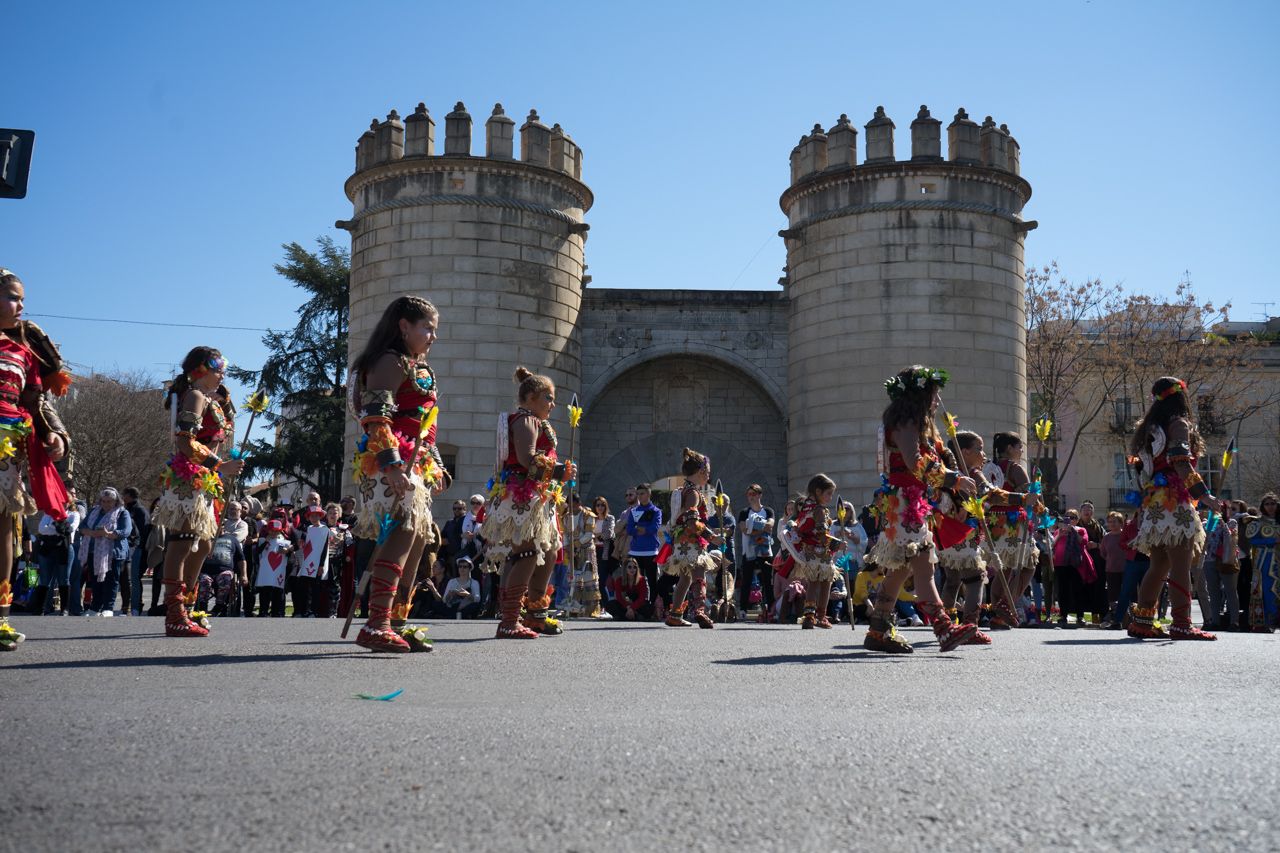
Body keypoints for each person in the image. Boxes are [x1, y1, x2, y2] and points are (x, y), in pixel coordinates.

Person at [348, 295, 450, 652]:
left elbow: (424, 426)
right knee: (401, 536)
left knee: (417, 540)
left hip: (415, 464)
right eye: (427, 328)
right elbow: (377, 417)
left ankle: (397, 621)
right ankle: (376, 624)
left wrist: (435, 463)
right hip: (390, 463)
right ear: (404, 326)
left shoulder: (415, 365)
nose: (433, 337)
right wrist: (392, 466)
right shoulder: (389, 361)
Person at [866, 365, 980, 653]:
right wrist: (954, 479)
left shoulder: (914, 422)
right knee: (924, 566)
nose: (937, 400)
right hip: (906, 503)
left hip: (909, 501)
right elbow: (914, 460)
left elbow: (926, 458)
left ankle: (878, 631)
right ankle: (943, 629)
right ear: (920, 394)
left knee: (901, 569)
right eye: (933, 393)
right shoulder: (907, 421)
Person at [0, 269, 72, 650]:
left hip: (7, 449)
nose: (21, 305)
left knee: (4, 528)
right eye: (13, 296)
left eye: (22, 298)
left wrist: (51, 434)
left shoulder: (21, 352)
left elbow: (33, 402)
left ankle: (0, 618)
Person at [153, 346, 244, 637]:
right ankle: (175, 613)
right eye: (218, 368)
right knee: (181, 543)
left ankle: (189, 607)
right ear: (200, 370)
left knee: (204, 545)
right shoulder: (193, 396)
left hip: (206, 480)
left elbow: (224, 422)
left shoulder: (210, 399)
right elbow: (184, 441)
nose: (223, 374)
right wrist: (220, 464)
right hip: (188, 478)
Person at [483, 366, 576, 639]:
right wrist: (559, 471)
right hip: (525, 493)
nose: (553, 404)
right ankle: (510, 619)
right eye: (548, 397)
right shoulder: (525, 420)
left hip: (539, 495)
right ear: (532, 397)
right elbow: (527, 459)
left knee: (546, 554)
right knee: (525, 554)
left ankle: (535, 615)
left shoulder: (534, 420)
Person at [1127, 376, 1217, 640]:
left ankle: (1143, 621)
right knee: (1180, 563)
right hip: (1175, 501)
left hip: (1155, 501)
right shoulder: (1178, 423)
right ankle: (1181, 623)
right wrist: (1204, 494)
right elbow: (1180, 460)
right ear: (1181, 397)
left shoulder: (1150, 428)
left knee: (1159, 564)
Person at [983, 431, 1041, 628]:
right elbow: (1030, 497)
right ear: (1009, 448)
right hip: (1012, 521)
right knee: (1028, 564)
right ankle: (1004, 607)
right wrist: (1040, 503)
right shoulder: (1015, 468)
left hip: (993, 522)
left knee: (1003, 569)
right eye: (1019, 447)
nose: (1022, 450)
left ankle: (998, 613)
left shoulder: (989, 468)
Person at [660, 448, 723, 628]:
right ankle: (700, 611)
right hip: (691, 540)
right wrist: (712, 537)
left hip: (681, 541)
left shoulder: (683, 490)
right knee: (698, 572)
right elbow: (692, 521)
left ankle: (675, 615)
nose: (708, 476)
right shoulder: (693, 493)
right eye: (708, 472)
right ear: (701, 471)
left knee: (685, 578)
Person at [937, 431, 990, 636]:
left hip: (947, 534)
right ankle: (970, 626)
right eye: (979, 448)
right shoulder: (970, 475)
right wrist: (1021, 498)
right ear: (965, 452)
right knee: (975, 577)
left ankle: (946, 624)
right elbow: (989, 492)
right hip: (962, 533)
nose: (983, 454)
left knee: (952, 579)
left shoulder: (946, 473)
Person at [786, 474, 840, 629]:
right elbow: (823, 535)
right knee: (826, 583)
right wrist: (837, 545)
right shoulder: (819, 510)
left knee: (813, 583)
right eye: (828, 493)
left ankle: (809, 616)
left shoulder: (806, 508)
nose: (830, 497)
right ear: (818, 492)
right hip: (821, 552)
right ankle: (821, 616)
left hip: (809, 551)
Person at [79, 488, 133, 616]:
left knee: (111, 580)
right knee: (95, 580)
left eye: (109, 501)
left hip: (113, 552)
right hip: (94, 552)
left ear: (116, 501)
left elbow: (126, 531)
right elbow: (82, 527)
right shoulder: (94, 511)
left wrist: (108, 534)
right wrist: (91, 533)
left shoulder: (122, 513)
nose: (106, 504)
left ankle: (108, 607)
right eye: (104, 501)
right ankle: (95, 607)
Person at [33, 495, 79, 615]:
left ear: (69, 503)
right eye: (59, 501)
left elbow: (70, 529)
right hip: (47, 548)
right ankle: (40, 608)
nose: (62, 504)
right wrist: (58, 527)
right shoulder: (48, 514)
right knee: (44, 579)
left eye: (64, 502)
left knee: (64, 578)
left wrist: (53, 526)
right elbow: (42, 529)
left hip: (64, 548)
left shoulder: (74, 515)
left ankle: (65, 609)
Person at [736, 484, 776, 618]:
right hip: (749, 551)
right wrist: (760, 529)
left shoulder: (768, 511)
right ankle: (742, 610)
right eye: (749, 494)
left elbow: (770, 526)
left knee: (767, 581)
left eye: (754, 494)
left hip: (765, 552)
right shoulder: (744, 512)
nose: (751, 497)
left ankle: (770, 609)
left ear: (760, 495)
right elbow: (743, 529)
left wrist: (752, 527)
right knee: (746, 581)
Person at [1051, 510, 1093, 628]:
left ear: (1077, 520)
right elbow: (1051, 545)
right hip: (1060, 563)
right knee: (1062, 591)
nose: (1070, 519)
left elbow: (1084, 541)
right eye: (1067, 517)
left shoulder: (1080, 530)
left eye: (1073, 517)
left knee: (1077, 590)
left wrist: (1073, 531)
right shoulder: (1059, 531)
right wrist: (1060, 535)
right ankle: (1064, 616)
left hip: (1075, 564)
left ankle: (1079, 616)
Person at [1244, 493, 1278, 632]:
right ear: (1263, 506)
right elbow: (1253, 541)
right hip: (1266, 560)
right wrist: (1272, 541)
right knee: (1266, 589)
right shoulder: (1257, 523)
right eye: (1267, 504)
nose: (1270, 507)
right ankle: (1267, 621)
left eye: (1273, 504)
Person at [625, 484, 662, 604]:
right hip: (635, 551)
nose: (640, 496)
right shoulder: (633, 511)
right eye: (638, 494)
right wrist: (643, 529)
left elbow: (654, 528)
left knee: (652, 580)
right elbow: (629, 529)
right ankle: (635, 605)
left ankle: (652, 606)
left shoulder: (656, 511)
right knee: (635, 580)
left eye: (642, 493)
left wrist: (642, 528)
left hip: (651, 550)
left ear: (649, 494)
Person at [119, 487, 148, 616]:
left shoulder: (139, 511)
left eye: (123, 494)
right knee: (126, 579)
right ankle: (127, 606)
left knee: (134, 579)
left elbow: (143, 532)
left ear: (129, 495)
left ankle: (135, 606)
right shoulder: (128, 509)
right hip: (128, 548)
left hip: (137, 549)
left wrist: (137, 546)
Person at [253, 519, 291, 617]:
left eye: (277, 530)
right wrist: (266, 541)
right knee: (265, 591)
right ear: (268, 530)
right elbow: (258, 552)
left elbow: (285, 554)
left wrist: (288, 551)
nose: (274, 533)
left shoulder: (282, 542)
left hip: (278, 572)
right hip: (265, 571)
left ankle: (276, 612)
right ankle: (263, 611)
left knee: (277, 591)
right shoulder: (262, 540)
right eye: (272, 530)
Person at [592, 496, 617, 597]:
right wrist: (598, 536)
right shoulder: (592, 519)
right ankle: (599, 604)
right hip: (592, 551)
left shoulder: (610, 518)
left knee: (602, 581)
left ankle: (606, 606)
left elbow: (608, 534)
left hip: (604, 552)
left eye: (602, 505)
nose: (600, 507)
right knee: (594, 580)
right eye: (598, 505)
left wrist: (595, 536)